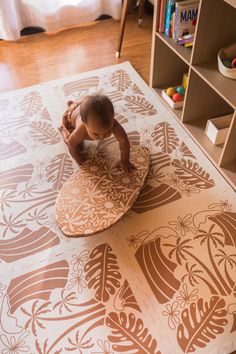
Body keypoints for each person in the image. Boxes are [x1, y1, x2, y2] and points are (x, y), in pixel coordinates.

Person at [59, 94, 134, 173]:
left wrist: (125, 159)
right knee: (73, 142)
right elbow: (71, 143)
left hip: (83, 105)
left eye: (108, 131)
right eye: (96, 134)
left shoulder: (113, 123)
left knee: (87, 106)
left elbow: (123, 140)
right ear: (85, 124)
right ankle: (70, 106)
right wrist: (77, 157)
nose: (101, 137)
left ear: (112, 119)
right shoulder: (81, 129)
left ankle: (73, 104)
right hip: (72, 115)